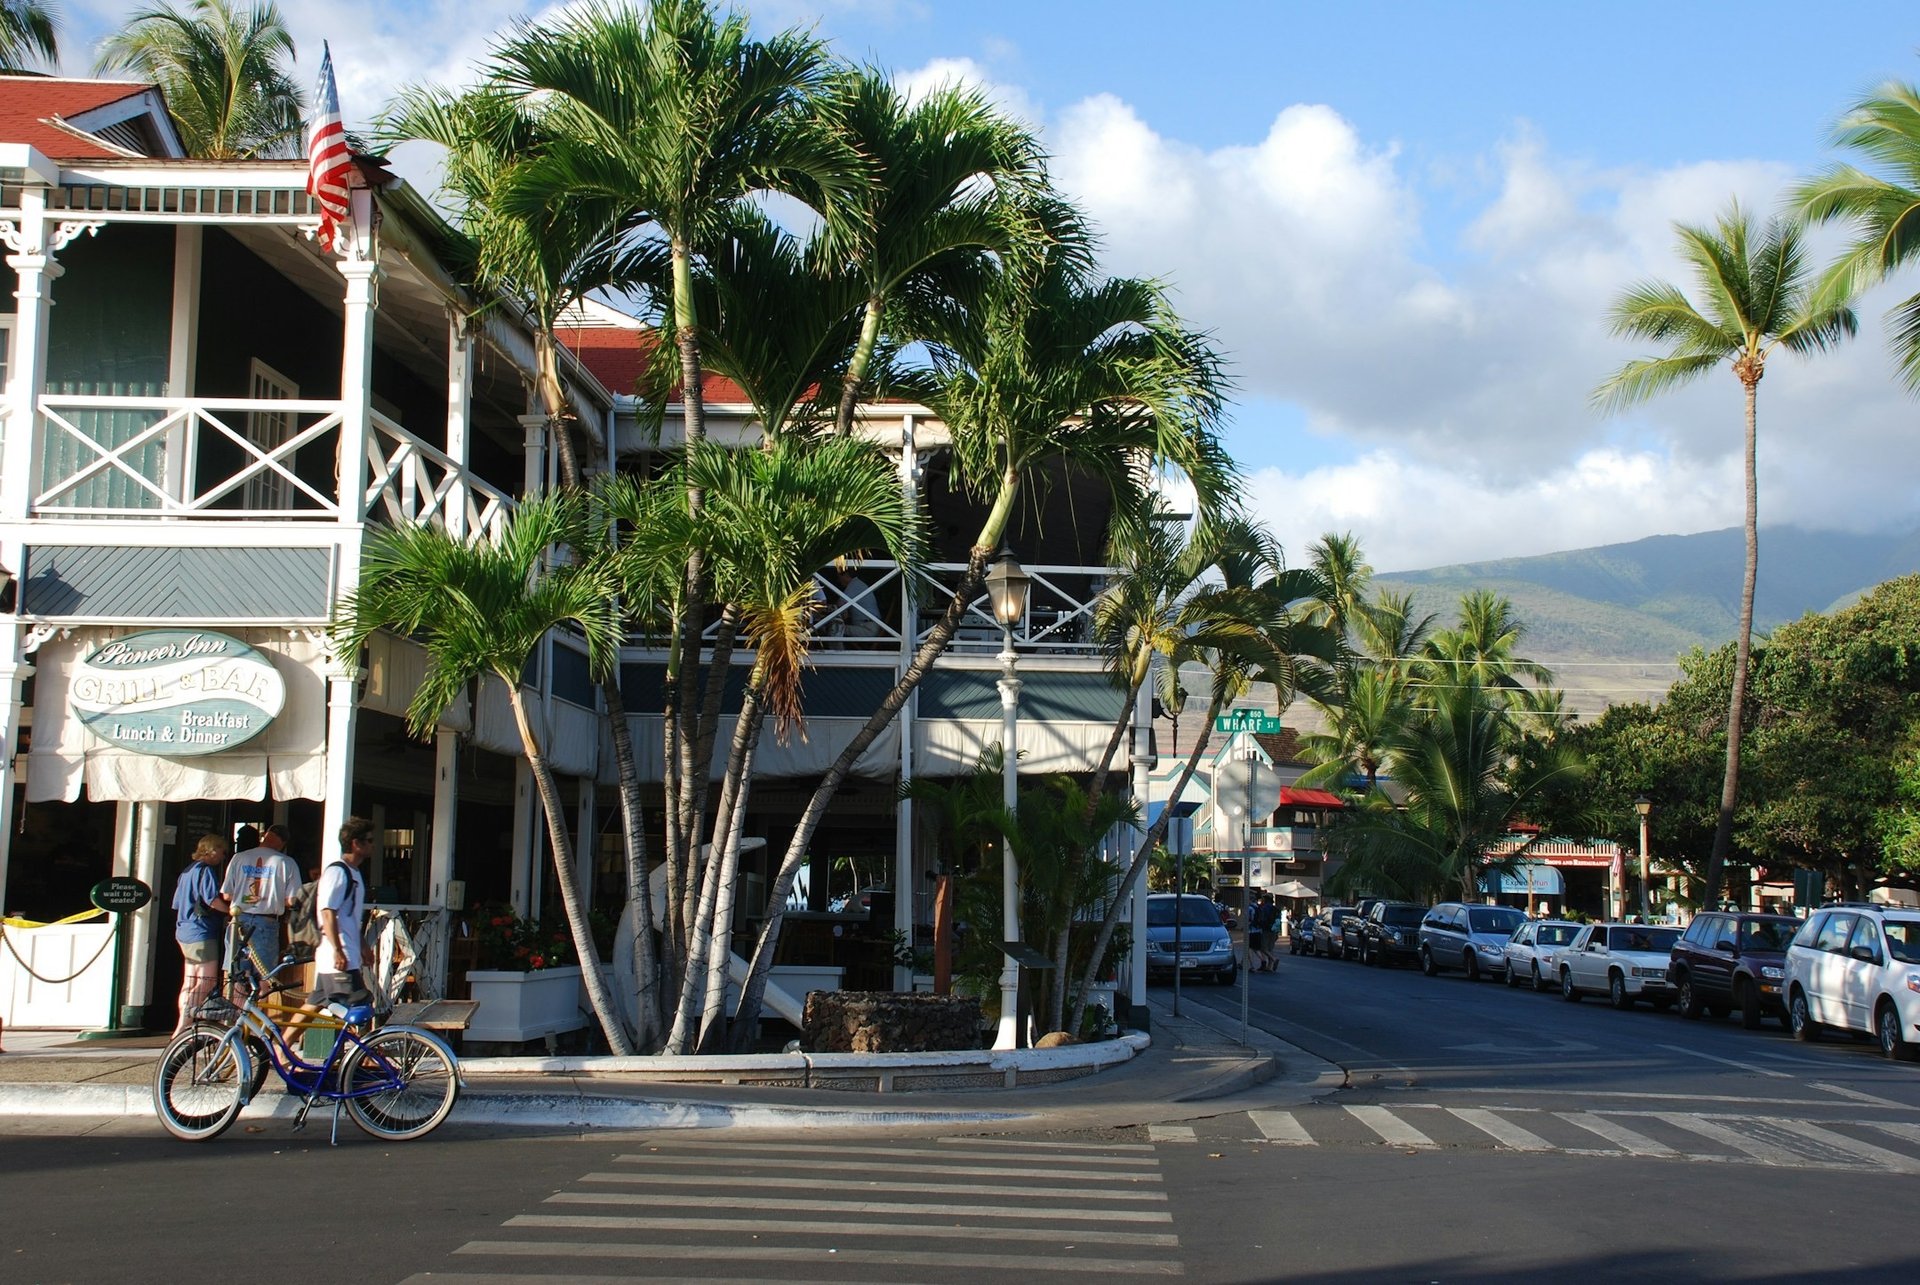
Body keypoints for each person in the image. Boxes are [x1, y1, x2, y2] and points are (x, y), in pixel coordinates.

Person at [281, 817, 375, 1049]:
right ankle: (368, 1052)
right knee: (360, 1004)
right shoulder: (338, 873)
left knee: (314, 1003)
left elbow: (350, 918)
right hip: (337, 956)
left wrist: (363, 947)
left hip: (345, 953)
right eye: (370, 840)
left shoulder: (354, 874)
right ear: (356, 843)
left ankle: (282, 1046)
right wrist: (338, 950)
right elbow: (327, 912)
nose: (374, 845)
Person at [221, 822, 299, 987]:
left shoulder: (239, 857)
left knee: (236, 977)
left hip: (238, 920)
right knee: (265, 979)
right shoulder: (287, 862)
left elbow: (227, 895)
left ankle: (237, 1012)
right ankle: (258, 1012)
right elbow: (292, 900)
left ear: (265, 836)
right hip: (266, 922)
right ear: (283, 843)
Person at [170, 834, 231, 1035]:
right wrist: (232, 911)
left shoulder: (187, 871)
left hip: (184, 930)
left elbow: (177, 903)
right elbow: (212, 900)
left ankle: (182, 1022)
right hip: (201, 931)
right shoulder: (205, 871)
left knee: (189, 980)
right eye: (222, 852)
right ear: (213, 850)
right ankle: (184, 1026)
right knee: (206, 981)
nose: (223, 857)